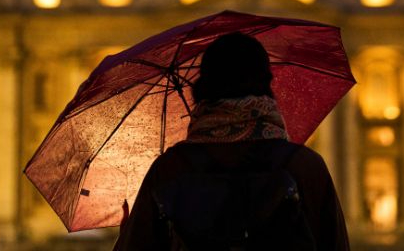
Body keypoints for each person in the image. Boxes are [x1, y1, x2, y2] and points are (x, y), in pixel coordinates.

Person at [114, 32, 350, 250]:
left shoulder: (170, 169)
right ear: (267, 84)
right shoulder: (305, 166)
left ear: (203, 87)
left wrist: (124, 238)